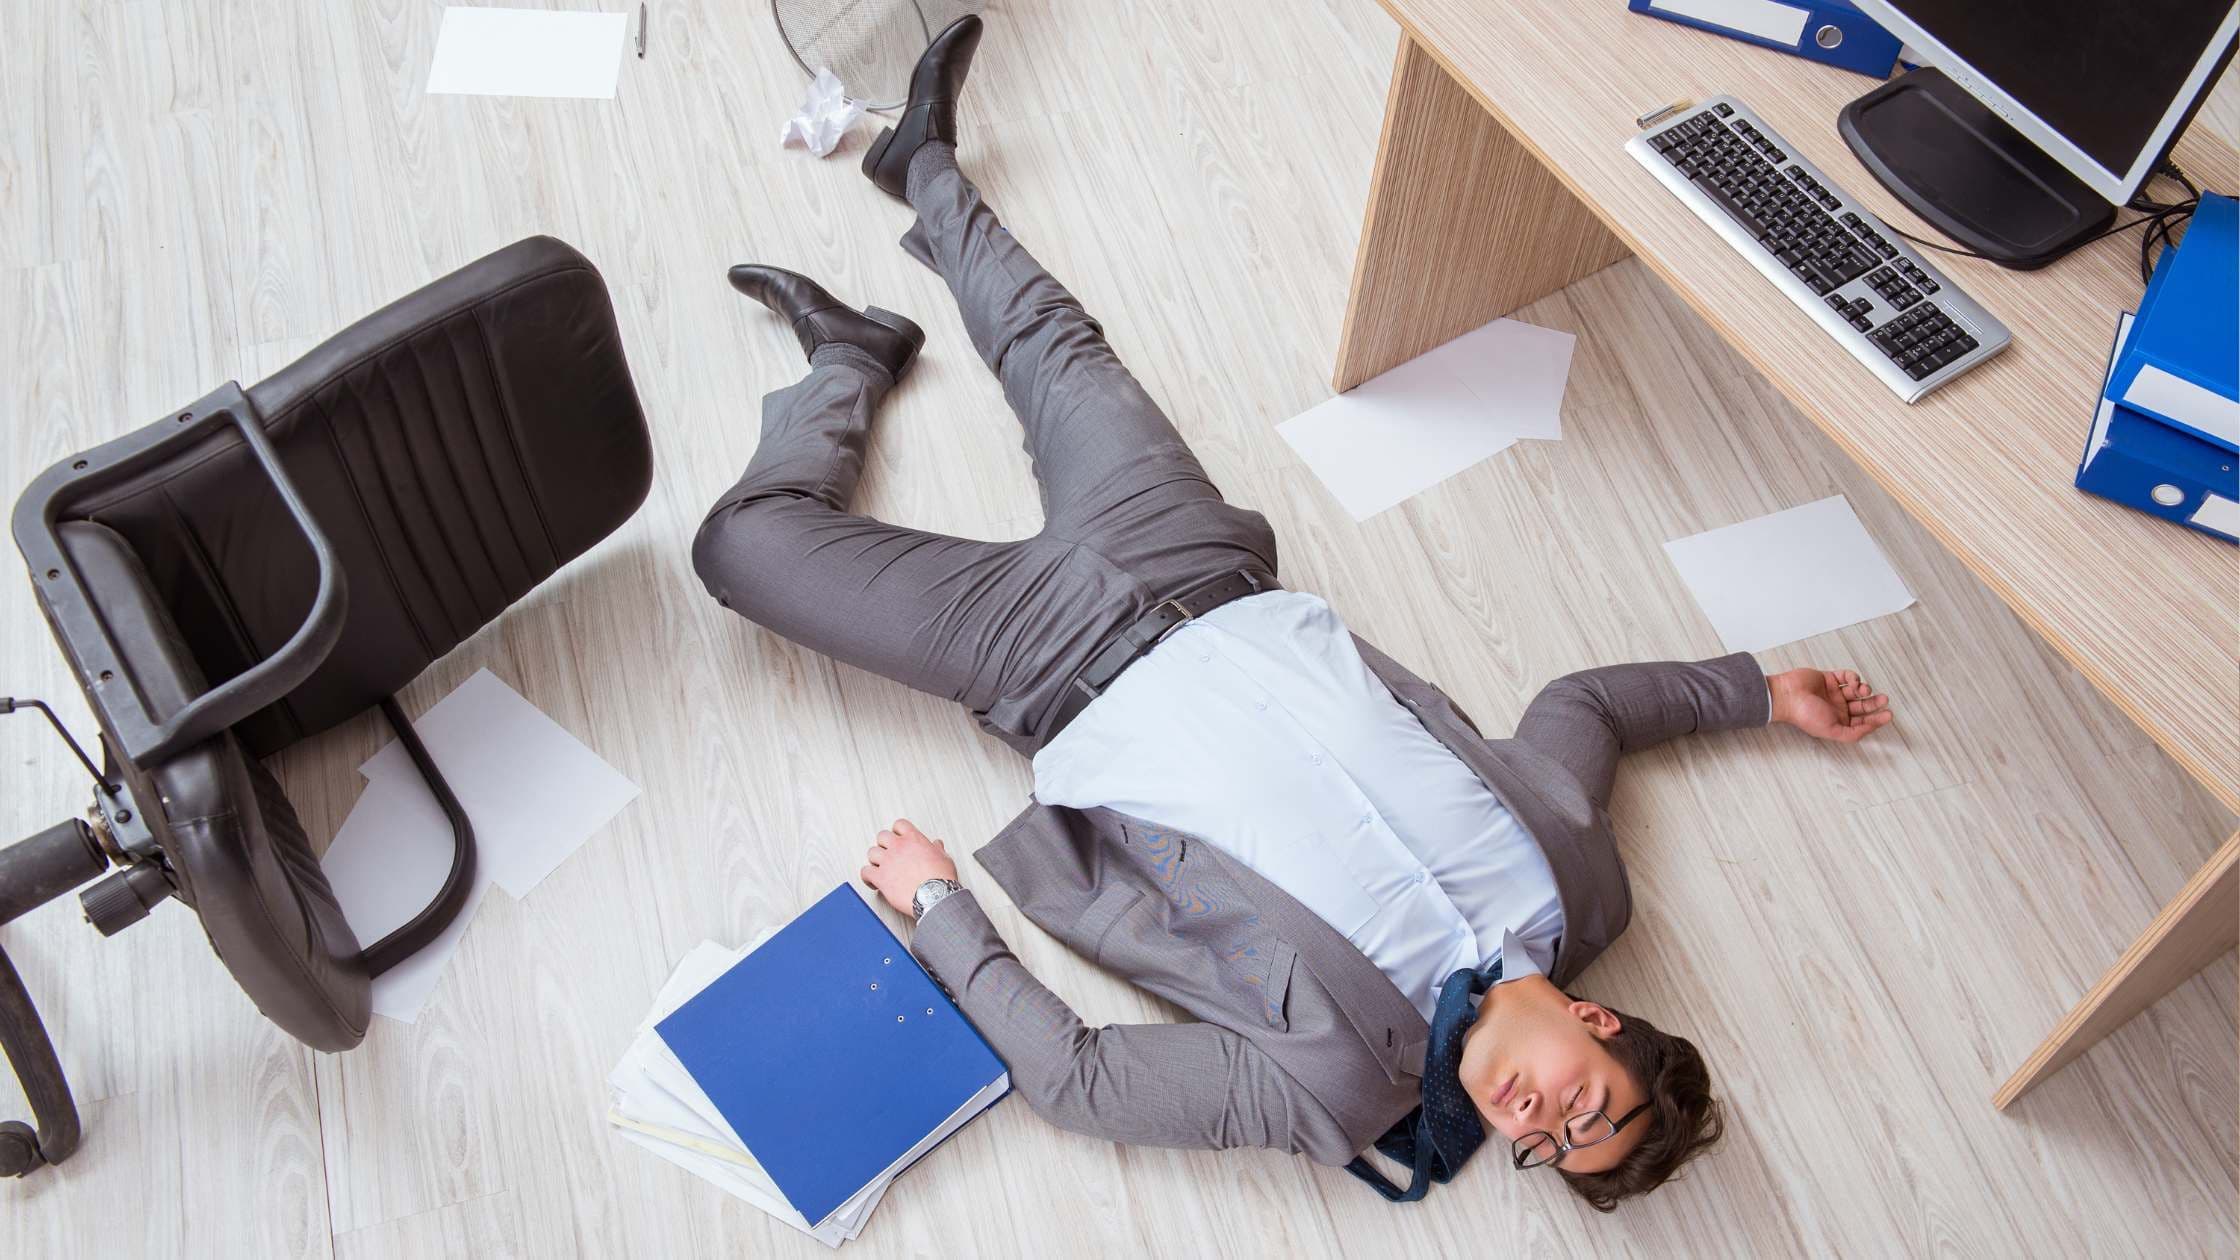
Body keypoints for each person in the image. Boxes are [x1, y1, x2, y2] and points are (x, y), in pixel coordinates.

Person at [692, 15, 1894, 1211]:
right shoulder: (1573, 880)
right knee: (1054, 350)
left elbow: (1084, 1082)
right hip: (1195, 566)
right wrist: (1754, 694)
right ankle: (923, 165)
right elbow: (1583, 709)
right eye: (1581, 1103)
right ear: (1595, 1020)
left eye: (1543, 1148)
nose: (1530, 1119)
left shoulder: (1339, 1091)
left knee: (742, 549)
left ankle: (843, 366)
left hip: (1046, 665)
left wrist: (941, 909)